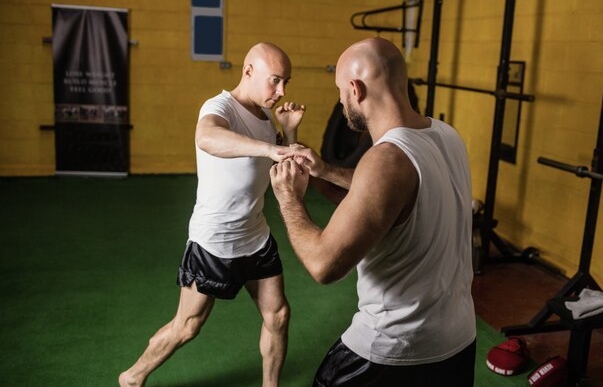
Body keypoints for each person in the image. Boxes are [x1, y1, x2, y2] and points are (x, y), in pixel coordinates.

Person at [270, 37, 476, 387]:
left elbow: (324, 265)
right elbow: (398, 189)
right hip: (457, 343)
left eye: (340, 91)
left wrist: (289, 199)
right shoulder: (444, 134)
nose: (340, 99)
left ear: (356, 88)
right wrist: (326, 170)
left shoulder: (385, 160)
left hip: (393, 351)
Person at [119, 42, 305, 387]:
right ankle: (132, 376)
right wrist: (271, 147)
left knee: (278, 315)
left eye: (286, 83)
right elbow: (207, 137)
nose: (281, 92)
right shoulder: (220, 106)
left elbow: (285, 166)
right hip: (215, 240)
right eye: (275, 81)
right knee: (187, 327)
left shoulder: (266, 116)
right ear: (248, 71)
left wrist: (289, 132)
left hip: (255, 235)